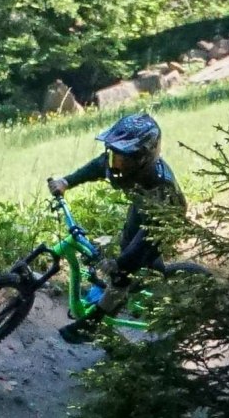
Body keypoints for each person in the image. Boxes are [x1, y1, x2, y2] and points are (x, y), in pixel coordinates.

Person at [47, 113, 186, 343]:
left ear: (141, 159)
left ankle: (94, 323)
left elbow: (145, 240)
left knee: (124, 270)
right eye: (114, 155)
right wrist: (67, 181)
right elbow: (98, 166)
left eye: (123, 158)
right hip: (142, 207)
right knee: (125, 245)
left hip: (163, 220)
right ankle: (145, 280)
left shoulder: (161, 188)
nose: (115, 162)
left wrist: (120, 265)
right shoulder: (123, 165)